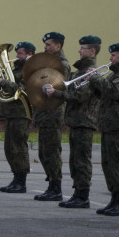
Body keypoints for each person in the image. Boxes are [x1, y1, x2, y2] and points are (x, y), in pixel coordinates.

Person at [44, 36, 101, 209]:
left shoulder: (90, 72)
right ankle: (77, 194)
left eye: (83, 48)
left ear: (92, 51)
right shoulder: (79, 72)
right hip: (76, 121)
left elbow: (80, 96)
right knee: (75, 161)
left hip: (85, 121)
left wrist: (57, 94)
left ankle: (83, 196)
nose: (79, 50)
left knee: (82, 161)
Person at [87, 42, 119, 216]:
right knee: (108, 164)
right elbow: (103, 94)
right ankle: (114, 199)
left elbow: (114, 92)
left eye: (114, 56)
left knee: (116, 164)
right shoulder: (114, 74)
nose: (110, 59)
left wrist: (95, 78)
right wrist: (93, 84)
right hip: (109, 125)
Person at [32, 32, 71, 201]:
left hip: (53, 113)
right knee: (43, 152)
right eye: (45, 44)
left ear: (58, 46)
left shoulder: (62, 64)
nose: (45, 47)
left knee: (52, 152)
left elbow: (59, 88)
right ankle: (52, 185)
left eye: (48, 45)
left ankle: (56, 188)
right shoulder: (48, 63)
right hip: (44, 112)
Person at [0, 41, 35, 194]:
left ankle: (21, 181)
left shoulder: (31, 70)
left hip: (21, 113)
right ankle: (16, 178)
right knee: (10, 148)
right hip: (11, 113)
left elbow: (22, 90)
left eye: (20, 54)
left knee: (18, 147)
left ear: (29, 55)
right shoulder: (17, 69)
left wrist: (3, 82)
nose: (16, 57)